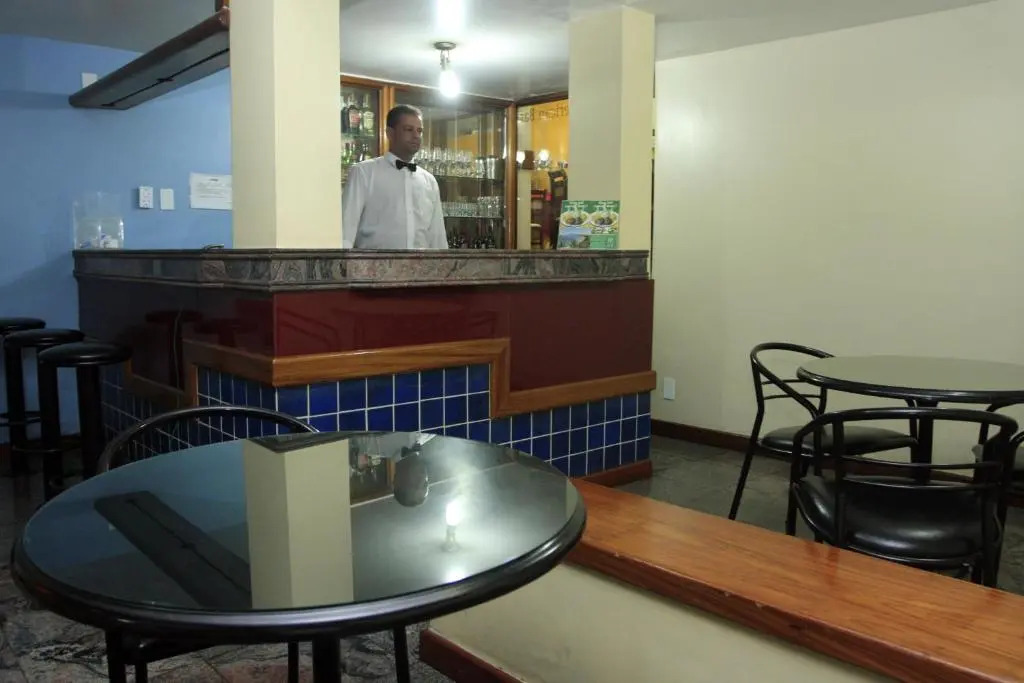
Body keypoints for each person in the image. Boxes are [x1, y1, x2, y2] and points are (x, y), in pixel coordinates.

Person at [342, 104, 448, 249]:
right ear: (390, 133)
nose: (416, 136)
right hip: (373, 263)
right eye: (408, 129)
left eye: (419, 131)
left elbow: (438, 239)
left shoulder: (429, 181)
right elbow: (346, 232)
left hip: (420, 264)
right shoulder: (363, 173)